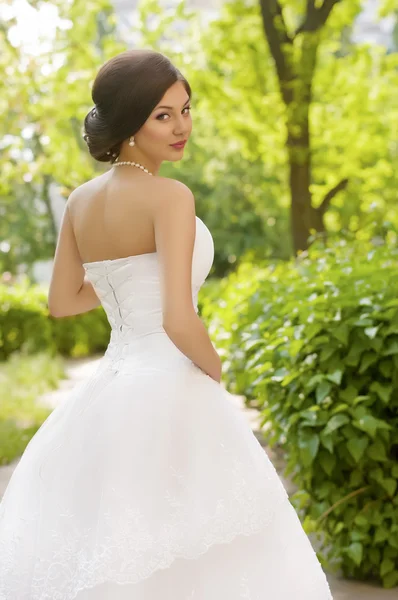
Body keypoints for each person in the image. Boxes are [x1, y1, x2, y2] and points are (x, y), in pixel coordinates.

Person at [0, 48, 333, 599]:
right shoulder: (171, 197)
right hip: (169, 384)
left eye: (185, 109)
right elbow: (179, 318)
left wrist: (122, 289)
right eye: (163, 115)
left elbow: (63, 300)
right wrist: (218, 371)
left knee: (128, 544)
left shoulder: (80, 202)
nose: (183, 126)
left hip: (108, 391)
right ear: (131, 123)